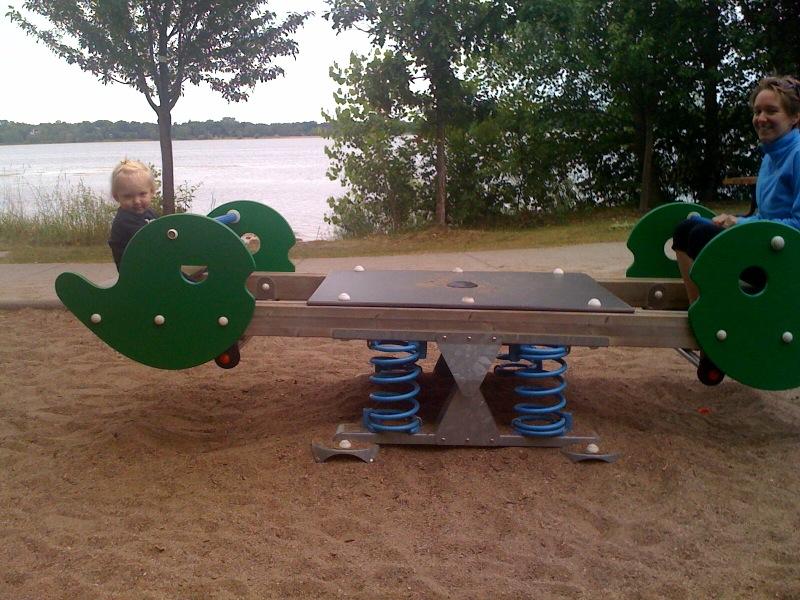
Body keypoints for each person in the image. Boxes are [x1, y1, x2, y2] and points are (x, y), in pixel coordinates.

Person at [673, 75, 800, 303]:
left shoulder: (797, 155)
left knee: (701, 235)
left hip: (788, 259)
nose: (761, 118)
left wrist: (741, 225)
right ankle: (697, 308)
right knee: (686, 229)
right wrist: (737, 221)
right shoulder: (770, 156)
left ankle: (714, 310)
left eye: (771, 111)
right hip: (771, 247)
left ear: (795, 117)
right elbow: (765, 216)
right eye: (757, 111)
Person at [107, 159, 158, 270]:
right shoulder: (124, 221)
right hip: (136, 271)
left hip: (153, 266)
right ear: (116, 197)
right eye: (128, 196)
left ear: (152, 192)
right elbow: (149, 243)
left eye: (142, 194)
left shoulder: (150, 213)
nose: (136, 201)